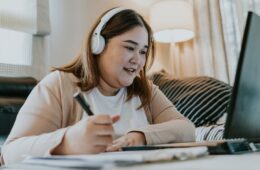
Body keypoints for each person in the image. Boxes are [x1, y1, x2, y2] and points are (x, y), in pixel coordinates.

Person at [0, 7, 195, 165]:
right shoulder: (59, 84)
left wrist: (141, 136)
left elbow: (187, 129)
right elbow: (10, 152)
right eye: (129, 48)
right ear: (98, 45)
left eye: (143, 51)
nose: (138, 60)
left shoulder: (145, 90)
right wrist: (67, 143)